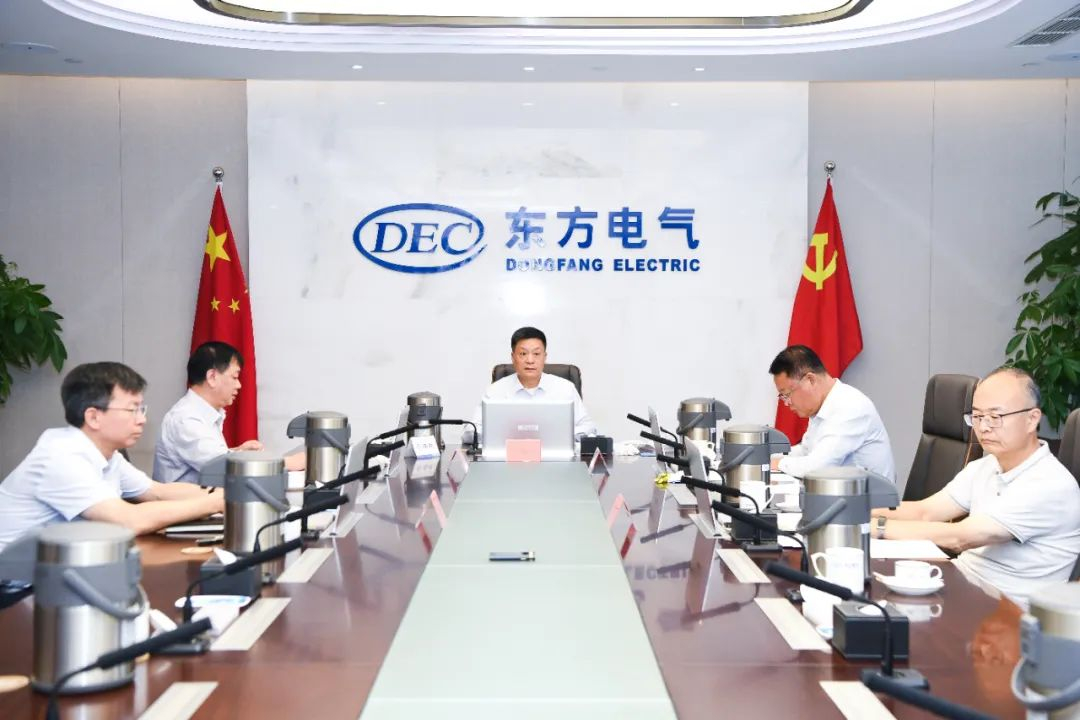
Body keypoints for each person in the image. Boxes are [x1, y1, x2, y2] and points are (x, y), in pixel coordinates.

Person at [872, 367, 1080, 602]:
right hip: (964, 586)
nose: (983, 427)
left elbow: (960, 537)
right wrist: (858, 510)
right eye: (977, 416)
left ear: (1032, 419)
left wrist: (875, 527)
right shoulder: (986, 466)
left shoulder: (1049, 484)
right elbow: (925, 511)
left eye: (995, 417)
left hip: (1006, 610)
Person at [0, 362, 224, 551]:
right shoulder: (61, 458)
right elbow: (130, 520)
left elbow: (157, 492)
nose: (142, 419)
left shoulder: (108, 455)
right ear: (93, 417)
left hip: (60, 568)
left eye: (141, 409)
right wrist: (213, 503)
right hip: (15, 584)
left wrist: (227, 495)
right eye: (132, 410)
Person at [154, 341, 303, 483]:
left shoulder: (203, 413)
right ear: (212, 377)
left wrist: (238, 451)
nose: (239, 385)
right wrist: (289, 462)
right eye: (235, 377)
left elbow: (210, 457)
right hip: (192, 501)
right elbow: (223, 466)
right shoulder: (186, 419)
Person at [768, 344, 896, 481]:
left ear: (810, 380)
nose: (787, 403)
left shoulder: (850, 406)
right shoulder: (822, 406)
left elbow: (818, 468)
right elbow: (806, 451)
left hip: (870, 494)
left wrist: (778, 464)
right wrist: (770, 457)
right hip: (841, 490)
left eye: (787, 394)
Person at [472, 326, 596, 438]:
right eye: (523, 353)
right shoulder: (495, 390)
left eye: (536, 354)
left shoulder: (565, 388)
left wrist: (558, 435)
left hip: (555, 454)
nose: (530, 360)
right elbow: (471, 430)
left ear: (544, 357)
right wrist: (504, 434)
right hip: (508, 454)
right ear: (513, 357)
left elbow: (589, 427)